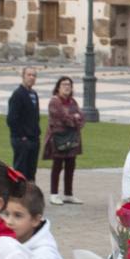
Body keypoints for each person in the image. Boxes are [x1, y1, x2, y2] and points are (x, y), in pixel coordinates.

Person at [41, 76, 83, 204]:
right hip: (58, 139)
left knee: (71, 165)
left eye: (69, 85)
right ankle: (54, 194)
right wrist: (74, 118)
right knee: (57, 166)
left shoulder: (73, 102)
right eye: (64, 84)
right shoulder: (54, 102)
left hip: (72, 139)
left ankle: (68, 194)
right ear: (58, 87)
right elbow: (62, 118)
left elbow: (81, 117)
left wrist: (75, 118)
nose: (67, 87)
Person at [7, 66, 41, 184]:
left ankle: (30, 196)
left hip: (33, 138)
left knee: (31, 170)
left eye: (34, 75)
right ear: (23, 76)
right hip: (22, 139)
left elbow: (35, 117)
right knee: (21, 170)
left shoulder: (34, 94)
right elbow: (11, 119)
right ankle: (18, 196)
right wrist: (22, 136)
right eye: (29, 75)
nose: (31, 77)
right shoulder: (18, 95)